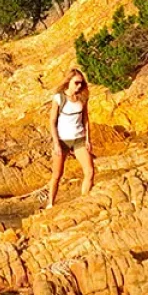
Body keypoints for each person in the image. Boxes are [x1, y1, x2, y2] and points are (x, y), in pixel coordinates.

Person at [46, 68, 97, 207]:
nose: (79, 86)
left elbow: (85, 119)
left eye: (81, 83)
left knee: (90, 171)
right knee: (57, 175)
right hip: (62, 141)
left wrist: (88, 139)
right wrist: (56, 143)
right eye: (76, 83)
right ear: (68, 82)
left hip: (79, 139)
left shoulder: (83, 97)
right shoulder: (59, 98)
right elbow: (52, 121)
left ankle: (84, 201)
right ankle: (50, 204)